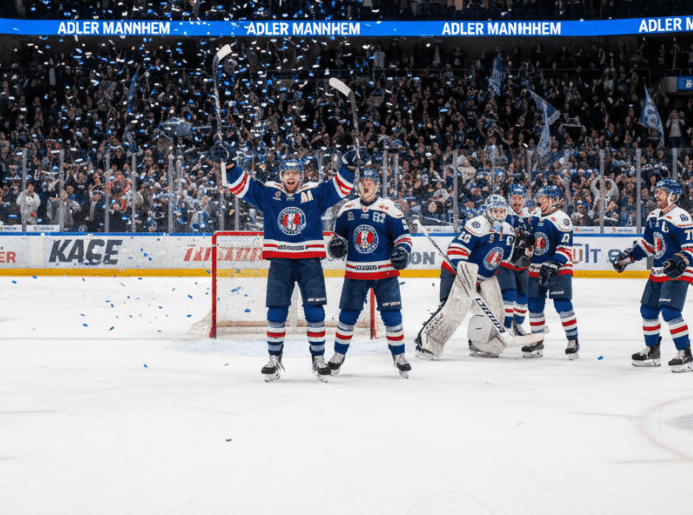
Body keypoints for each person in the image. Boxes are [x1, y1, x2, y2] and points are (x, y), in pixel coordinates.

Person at [211, 142, 357, 382]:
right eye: (287, 173)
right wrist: (229, 163)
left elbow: (339, 188)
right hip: (280, 261)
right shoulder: (270, 194)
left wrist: (349, 167)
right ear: (281, 176)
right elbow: (242, 187)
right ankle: (274, 359)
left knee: (315, 312)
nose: (292, 177)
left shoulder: (314, 193)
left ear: (301, 176)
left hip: (309, 260)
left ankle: (317, 358)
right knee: (277, 312)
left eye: (295, 173)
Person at [326, 168, 413, 378]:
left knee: (392, 316)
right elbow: (338, 238)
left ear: (376, 184)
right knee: (347, 317)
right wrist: (336, 245)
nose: (366, 185)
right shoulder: (347, 209)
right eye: (363, 181)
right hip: (355, 273)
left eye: (370, 181)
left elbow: (403, 238)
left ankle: (399, 356)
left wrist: (403, 251)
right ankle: (338, 355)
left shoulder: (389, 208)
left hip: (385, 273)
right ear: (358, 185)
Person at [415, 194, 520, 359]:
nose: (499, 215)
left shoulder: (508, 230)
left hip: (484, 278)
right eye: (495, 211)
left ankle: (480, 343)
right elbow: (457, 249)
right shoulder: (478, 224)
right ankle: (427, 342)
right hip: (458, 271)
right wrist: (463, 272)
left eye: (502, 211)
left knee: (494, 312)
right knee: (453, 309)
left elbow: (504, 257)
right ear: (487, 211)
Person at [613, 179, 693, 373]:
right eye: (657, 190)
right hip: (658, 271)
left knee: (670, 311)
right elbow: (649, 246)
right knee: (648, 310)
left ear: (672, 195)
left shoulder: (681, 217)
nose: (656, 194)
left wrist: (680, 259)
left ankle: (685, 354)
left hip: (677, 272)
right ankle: (653, 351)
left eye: (661, 191)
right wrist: (629, 257)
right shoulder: (653, 216)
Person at [523, 185, 580, 359]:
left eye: (543, 198)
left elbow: (565, 246)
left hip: (559, 269)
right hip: (536, 268)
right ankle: (537, 340)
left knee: (562, 305)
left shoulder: (561, 218)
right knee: (534, 306)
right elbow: (534, 242)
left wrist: (554, 263)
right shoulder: (535, 217)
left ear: (553, 200)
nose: (539, 201)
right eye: (539, 197)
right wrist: (526, 240)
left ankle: (573, 340)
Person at [500, 185, 535, 335]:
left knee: (524, 296)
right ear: (509, 199)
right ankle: (505, 326)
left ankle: (516, 324)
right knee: (509, 295)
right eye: (514, 197)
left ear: (524, 200)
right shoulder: (502, 214)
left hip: (523, 264)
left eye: (520, 198)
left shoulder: (529, 217)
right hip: (505, 264)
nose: (517, 201)